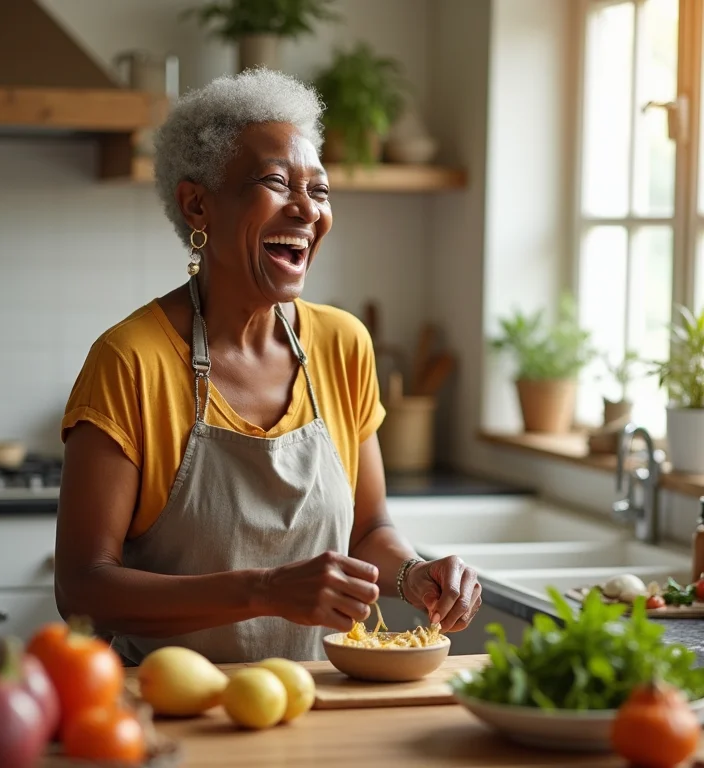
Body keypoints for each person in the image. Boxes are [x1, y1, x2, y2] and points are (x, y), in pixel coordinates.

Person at [54, 69, 481, 665]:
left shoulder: (343, 344)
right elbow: (82, 589)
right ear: (197, 204)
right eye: (278, 183)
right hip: (169, 712)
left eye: (321, 189)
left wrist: (411, 573)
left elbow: (367, 530)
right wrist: (266, 590)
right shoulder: (129, 361)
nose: (308, 209)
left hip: (312, 704)